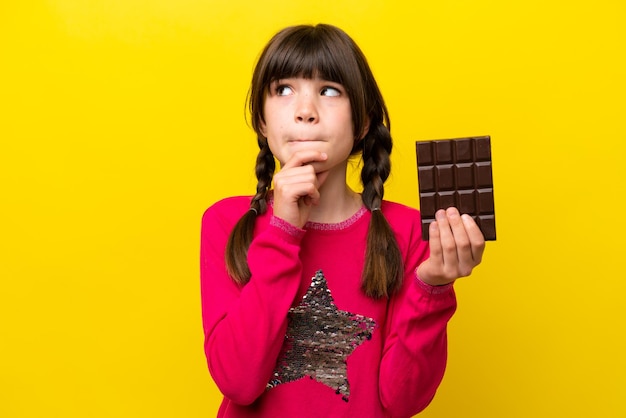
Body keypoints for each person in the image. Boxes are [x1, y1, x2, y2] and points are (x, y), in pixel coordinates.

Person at [200, 23, 485, 417]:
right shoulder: (227, 222)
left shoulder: (406, 233)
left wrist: (431, 286)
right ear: (262, 122)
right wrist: (282, 232)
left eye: (329, 90)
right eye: (283, 89)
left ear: (363, 122)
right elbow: (238, 382)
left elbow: (402, 400)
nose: (305, 111)